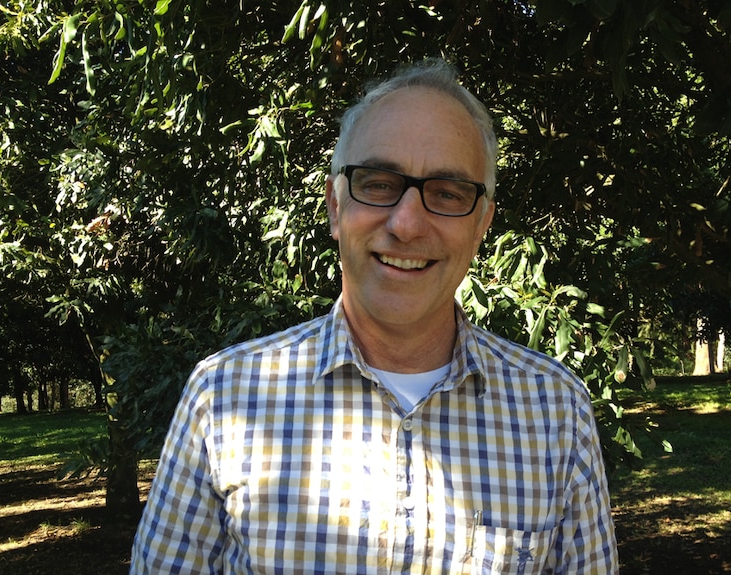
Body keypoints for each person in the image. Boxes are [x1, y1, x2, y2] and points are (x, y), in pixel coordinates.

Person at [130, 58, 618, 574]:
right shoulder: (223, 396)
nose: (406, 224)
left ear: (481, 224)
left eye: (448, 193)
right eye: (379, 183)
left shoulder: (556, 410)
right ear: (336, 208)